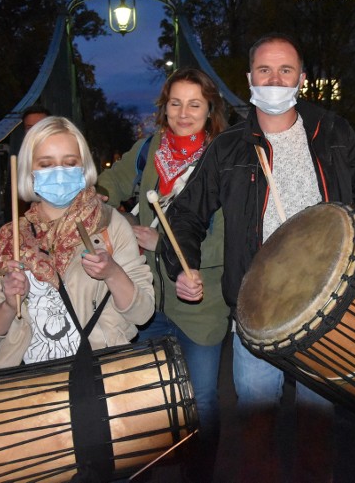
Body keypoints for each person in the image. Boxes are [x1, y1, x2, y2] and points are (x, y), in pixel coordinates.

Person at [163, 33, 355, 482]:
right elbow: (185, 216)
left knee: (315, 424)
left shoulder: (332, 132)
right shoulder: (229, 147)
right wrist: (182, 268)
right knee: (255, 427)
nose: (274, 79)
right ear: (249, 79)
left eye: (285, 70)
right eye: (264, 70)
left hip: (324, 307)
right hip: (257, 309)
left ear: (301, 79)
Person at [96, 68, 230, 482]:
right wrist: (112, 223)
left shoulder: (226, 158)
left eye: (194, 104)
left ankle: (198, 476)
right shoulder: (148, 150)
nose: (183, 113)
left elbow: (231, 238)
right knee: (143, 399)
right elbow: (105, 188)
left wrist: (163, 244)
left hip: (199, 302)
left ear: (210, 110)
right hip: (145, 299)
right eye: (175, 103)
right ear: (164, 108)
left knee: (202, 400)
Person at [0, 115, 155, 369]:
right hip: (29, 391)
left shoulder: (110, 225)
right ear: (30, 172)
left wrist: (113, 273)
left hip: (100, 383)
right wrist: (8, 305)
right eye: (46, 165)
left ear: (83, 168)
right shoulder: (7, 241)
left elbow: (143, 313)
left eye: (69, 163)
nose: (59, 173)